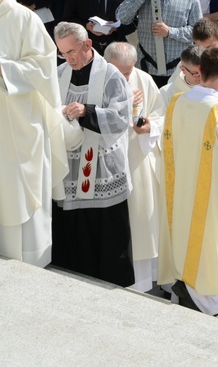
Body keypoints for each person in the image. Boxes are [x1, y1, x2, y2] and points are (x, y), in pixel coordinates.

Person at [158, 47, 218, 315]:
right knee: (215, 245)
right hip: (211, 196)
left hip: (180, 191)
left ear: (199, 73)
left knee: (184, 234)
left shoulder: (176, 102)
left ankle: (184, 285)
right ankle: (203, 299)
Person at [53, 21, 134, 287]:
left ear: (87, 45)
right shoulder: (59, 73)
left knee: (106, 235)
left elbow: (122, 118)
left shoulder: (111, 76)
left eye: (72, 51)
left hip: (101, 169)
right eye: (63, 53)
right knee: (73, 232)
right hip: (70, 169)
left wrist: (87, 111)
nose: (68, 58)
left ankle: (111, 285)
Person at [0, 0, 69, 267]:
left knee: (18, 195)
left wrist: (3, 69)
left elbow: (43, 66)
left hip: (19, 124)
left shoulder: (24, 19)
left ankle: (26, 264)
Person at [103, 42, 163, 292]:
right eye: (120, 72)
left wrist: (149, 126)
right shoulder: (100, 79)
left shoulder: (144, 80)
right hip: (109, 161)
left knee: (141, 220)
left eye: (129, 72)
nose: (125, 77)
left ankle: (143, 279)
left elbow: (160, 114)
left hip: (137, 157)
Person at [116, 0, 202, 87]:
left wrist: (170, 32)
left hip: (177, 70)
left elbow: (197, 33)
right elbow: (121, 17)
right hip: (146, 68)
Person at [159, 45, 218, 120]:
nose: (202, 77)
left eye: (204, 71)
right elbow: (161, 122)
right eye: (196, 73)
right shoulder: (167, 93)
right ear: (183, 70)